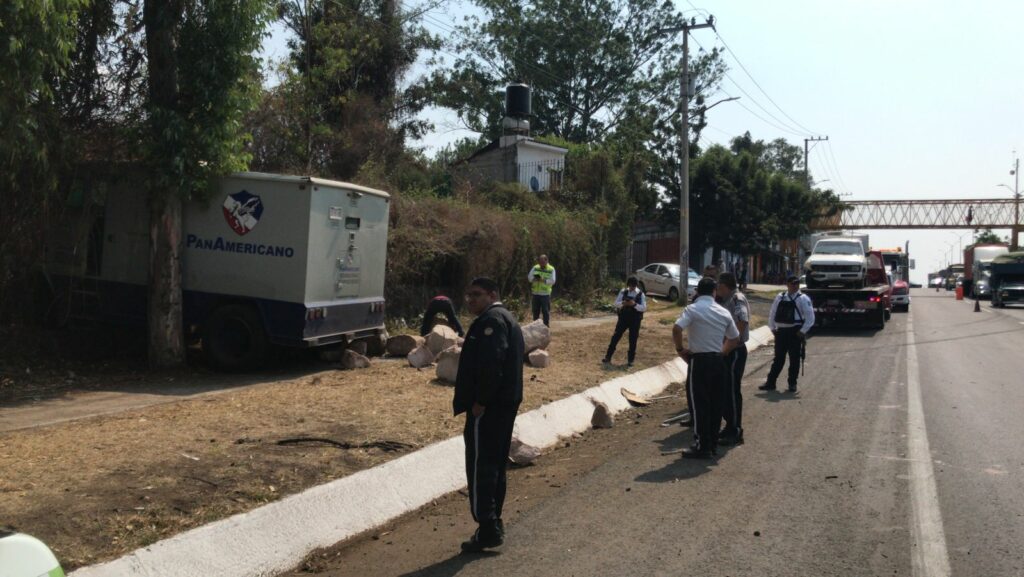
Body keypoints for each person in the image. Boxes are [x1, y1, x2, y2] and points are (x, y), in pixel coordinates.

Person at [453, 277, 525, 552]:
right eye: (468, 295)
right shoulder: (501, 318)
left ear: (492, 294)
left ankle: (487, 527)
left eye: (476, 294)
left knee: (481, 464)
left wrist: (481, 401)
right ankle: (493, 522)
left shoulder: (492, 321)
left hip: (490, 408)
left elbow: (492, 364)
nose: (470, 300)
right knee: (494, 464)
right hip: (503, 405)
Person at [672, 277, 741, 459]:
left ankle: (702, 445)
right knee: (716, 403)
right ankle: (711, 444)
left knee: (700, 404)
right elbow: (734, 338)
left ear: (697, 291)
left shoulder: (692, 309)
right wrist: (722, 352)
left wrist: (680, 350)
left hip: (699, 360)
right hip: (718, 361)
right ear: (714, 292)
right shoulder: (723, 312)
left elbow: (677, 329)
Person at [760, 275, 815, 393]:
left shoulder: (803, 298)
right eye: (792, 283)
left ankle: (792, 384)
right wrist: (772, 328)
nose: (794, 285)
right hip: (781, 332)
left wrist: (802, 331)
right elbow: (772, 313)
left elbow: (810, 317)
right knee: (778, 359)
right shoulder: (780, 297)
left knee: (794, 359)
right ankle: (771, 383)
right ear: (787, 284)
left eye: (796, 283)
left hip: (795, 332)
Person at [715, 272, 749, 446]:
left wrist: (730, 341)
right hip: (728, 350)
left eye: (718, 285)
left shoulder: (737, 299)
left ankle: (735, 430)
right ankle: (729, 426)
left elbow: (742, 321)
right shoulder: (726, 299)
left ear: (724, 285)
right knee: (725, 391)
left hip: (735, 351)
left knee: (732, 392)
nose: (716, 288)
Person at [602, 277, 647, 367]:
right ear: (628, 285)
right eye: (630, 286)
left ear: (636, 285)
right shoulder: (623, 292)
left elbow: (644, 308)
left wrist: (634, 304)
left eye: (633, 286)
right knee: (616, 336)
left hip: (635, 319)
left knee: (633, 339)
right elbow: (616, 303)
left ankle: (630, 360)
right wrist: (623, 303)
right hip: (623, 318)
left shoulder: (641, 294)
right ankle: (608, 357)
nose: (631, 288)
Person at [527, 254, 556, 326]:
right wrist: (534, 279)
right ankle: (535, 326)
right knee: (535, 311)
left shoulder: (551, 269)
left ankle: (546, 326)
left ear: (547, 261)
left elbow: (553, 280)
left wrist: (544, 280)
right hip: (535, 293)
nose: (541, 264)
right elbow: (529, 277)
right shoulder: (535, 267)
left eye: (543, 262)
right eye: (540, 262)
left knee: (545, 311)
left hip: (545, 294)